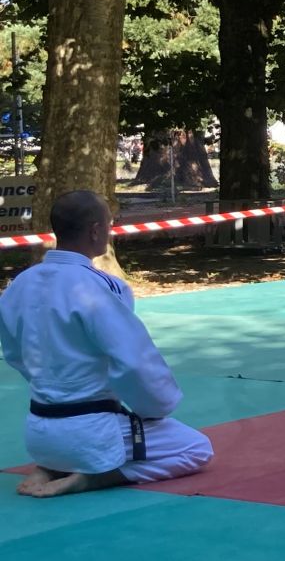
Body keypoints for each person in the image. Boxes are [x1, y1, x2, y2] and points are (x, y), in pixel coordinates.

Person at [1, 191, 213, 497]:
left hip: (38, 432)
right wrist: (153, 408)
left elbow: (13, 354)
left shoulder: (20, 284)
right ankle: (96, 477)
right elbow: (132, 360)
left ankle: (54, 465)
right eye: (109, 225)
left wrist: (54, 387)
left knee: (80, 430)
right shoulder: (99, 287)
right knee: (196, 448)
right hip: (92, 432)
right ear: (95, 230)